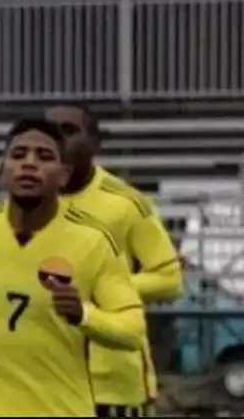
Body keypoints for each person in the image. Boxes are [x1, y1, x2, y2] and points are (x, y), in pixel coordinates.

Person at [0, 118, 147, 417]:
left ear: (63, 175)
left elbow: (133, 330)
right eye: (18, 155)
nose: (29, 164)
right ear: (2, 168)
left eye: (44, 157)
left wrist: (84, 315)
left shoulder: (93, 241)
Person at [47, 102, 184, 416]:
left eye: (69, 131)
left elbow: (170, 280)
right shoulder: (26, 203)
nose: (58, 140)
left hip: (111, 386)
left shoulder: (125, 203)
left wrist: (99, 290)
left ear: (95, 143)